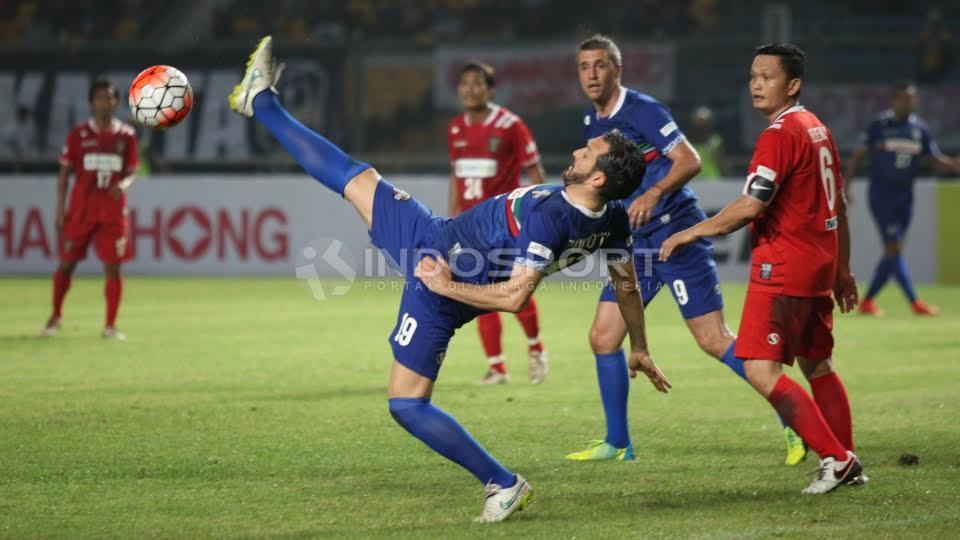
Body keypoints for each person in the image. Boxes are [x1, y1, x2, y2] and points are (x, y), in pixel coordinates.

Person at [228, 36, 670, 523]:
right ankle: (261, 101)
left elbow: (515, 297)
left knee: (407, 404)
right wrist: (640, 345)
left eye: (587, 154)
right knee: (356, 178)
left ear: (600, 178)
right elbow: (627, 285)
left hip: (443, 275)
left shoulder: (551, 216)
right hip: (437, 236)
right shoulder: (613, 217)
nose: (576, 153)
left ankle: (503, 483)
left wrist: (444, 287)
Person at [566, 34, 805, 466]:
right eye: (584, 67)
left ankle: (797, 421)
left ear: (617, 69)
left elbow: (689, 159)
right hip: (632, 242)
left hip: (675, 232)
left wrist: (654, 192)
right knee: (603, 337)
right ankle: (618, 442)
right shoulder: (591, 124)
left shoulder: (644, 110)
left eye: (600, 65)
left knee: (713, 340)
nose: (592, 74)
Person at [661, 43, 866, 494]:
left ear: (792, 85)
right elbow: (841, 204)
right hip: (818, 263)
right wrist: (842, 268)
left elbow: (752, 205)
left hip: (785, 267)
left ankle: (836, 459)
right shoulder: (816, 128)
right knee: (818, 364)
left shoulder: (779, 135)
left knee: (759, 369)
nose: (756, 83)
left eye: (767, 76)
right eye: (753, 75)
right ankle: (848, 460)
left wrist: (691, 232)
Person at [447, 61, 549, 385]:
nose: (470, 89)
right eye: (465, 83)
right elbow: (457, 175)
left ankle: (535, 350)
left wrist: (540, 215)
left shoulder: (510, 125)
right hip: (470, 226)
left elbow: (535, 171)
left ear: (491, 90)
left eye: (478, 83)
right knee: (480, 291)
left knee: (515, 290)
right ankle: (497, 367)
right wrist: (452, 219)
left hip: (506, 223)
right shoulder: (455, 128)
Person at [845, 82, 960, 317]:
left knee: (893, 252)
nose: (907, 102)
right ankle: (914, 303)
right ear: (893, 100)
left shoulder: (919, 129)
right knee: (893, 249)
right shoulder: (880, 125)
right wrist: (845, 185)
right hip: (882, 193)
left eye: (911, 98)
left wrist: (953, 166)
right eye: (902, 98)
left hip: (906, 195)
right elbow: (858, 155)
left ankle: (867, 301)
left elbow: (933, 158)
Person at [42, 77, 139, 340]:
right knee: (66, 264)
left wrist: (124, 185)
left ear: (116, 101)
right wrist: (60, 210)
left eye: (109, 97)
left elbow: (132, 172)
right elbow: (64, 175)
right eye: (99, 97)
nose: (105, 102)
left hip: (112, 212)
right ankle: (55, 316)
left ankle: (110, 326)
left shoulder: (126, 136)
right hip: (82, 211)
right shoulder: (78, 135)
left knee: (114, 267)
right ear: (90, 103)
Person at [688, 106, 729, 179]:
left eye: (704, 122)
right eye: (699, 122)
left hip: (712, 181)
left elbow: (721, 163)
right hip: (693, 182)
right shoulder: (685, 142)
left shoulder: (715, 141)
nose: (702, 126)